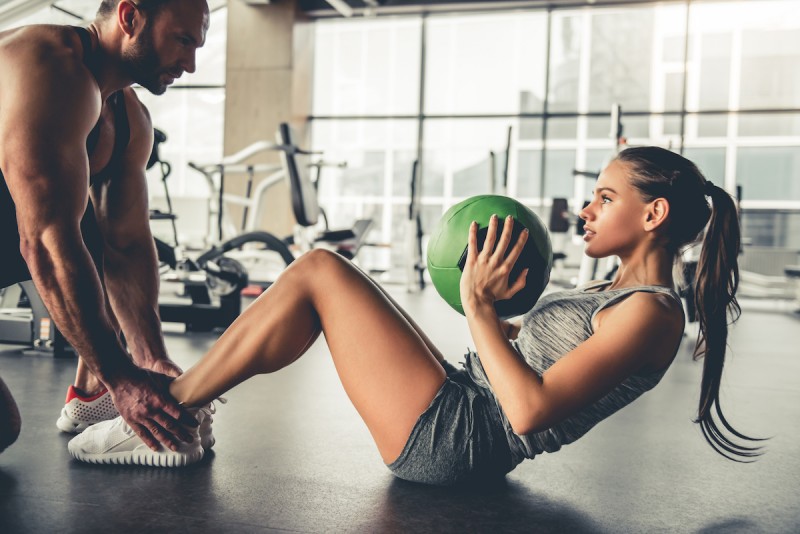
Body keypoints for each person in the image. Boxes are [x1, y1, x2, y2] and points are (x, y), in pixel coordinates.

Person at [68, 146, 764, 480]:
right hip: (466, 400)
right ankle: (176, 406)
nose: (585, 208)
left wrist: (480, 307)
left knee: (319, 271)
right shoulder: (611, 295)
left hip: (466, 439)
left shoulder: (652, 315)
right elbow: (524, 353)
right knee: (332, 276)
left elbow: (527, 411)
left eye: (606, 198)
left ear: (654, 214)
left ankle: (165, 418)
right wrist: (489, 306)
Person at [0, 0, 210, 454]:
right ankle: (102, 383)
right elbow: (44, 243)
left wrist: (150, 359)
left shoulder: (129, 117)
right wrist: (123, 381)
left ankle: (89, 393)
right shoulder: (48, 66)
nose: (191, 65)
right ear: (129, 17)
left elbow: (126, 243)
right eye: (183, 40)